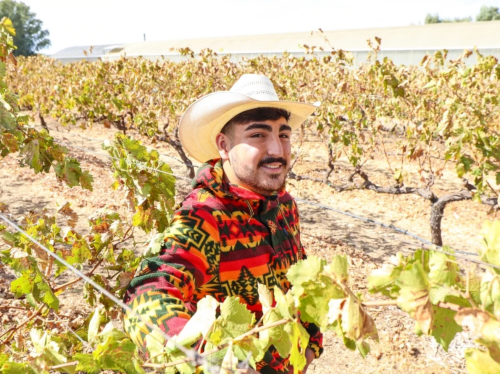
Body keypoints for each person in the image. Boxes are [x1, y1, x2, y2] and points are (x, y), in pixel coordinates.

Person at [123, 74, 323, 373]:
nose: (277, 150)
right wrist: (208, 360)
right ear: (224, 146)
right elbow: (147, 293)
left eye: (283, 135)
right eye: (258, 135)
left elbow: (298, 278)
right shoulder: (205, 215)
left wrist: (310, 343)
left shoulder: (284, 206)